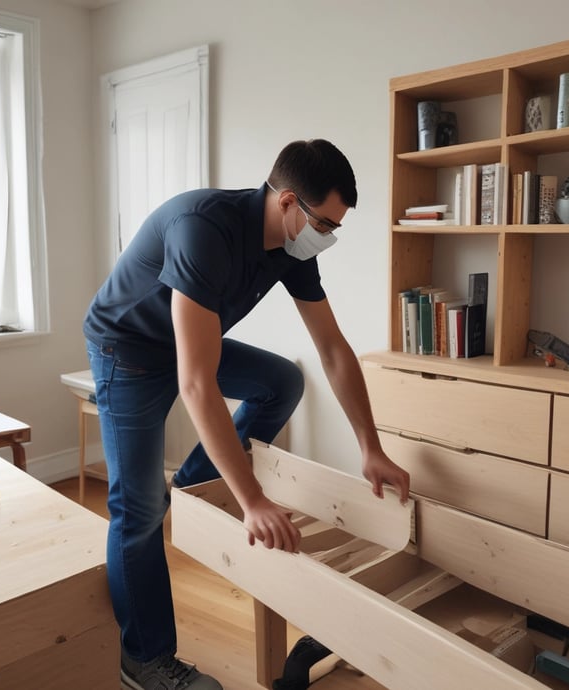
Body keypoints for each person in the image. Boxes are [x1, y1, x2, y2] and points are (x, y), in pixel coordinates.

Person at [83, 139, 410, 690]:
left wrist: (370, 447)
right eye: (323, 224)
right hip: (129, 350)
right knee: (138, 509)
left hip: (183, 345)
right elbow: (195, 383)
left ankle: (194, 486)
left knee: (281, 381)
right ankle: (144, 660)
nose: (326, 238)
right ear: (287, 202)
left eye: (335, 228)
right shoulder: (202, 229)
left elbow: (332, 349)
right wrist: (252, 500)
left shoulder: (291, 248)